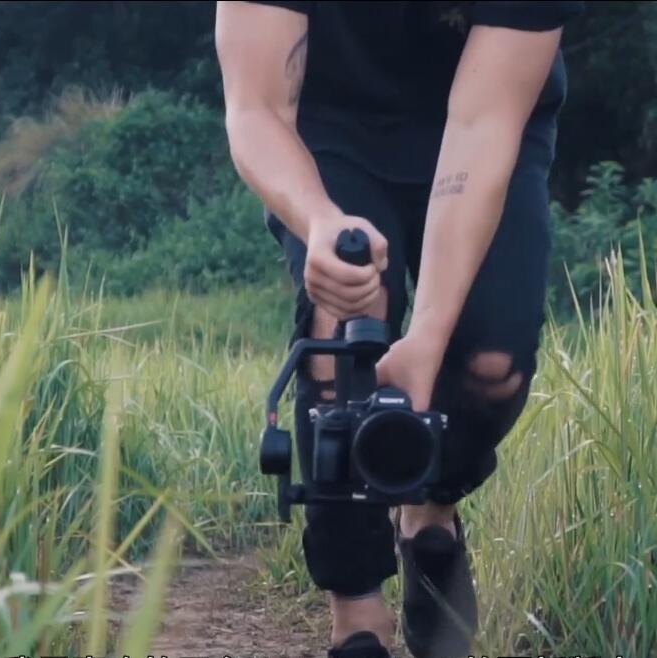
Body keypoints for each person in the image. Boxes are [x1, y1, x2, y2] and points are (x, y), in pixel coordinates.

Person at [214, 2, 584, 656]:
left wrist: (428, 338)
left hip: (483, 122)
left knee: (491, 365)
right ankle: (356, 611)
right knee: (342, 334)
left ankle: (429, 506)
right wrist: (319, 220)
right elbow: (256, 108)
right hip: (328, 125)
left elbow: (481, 123)